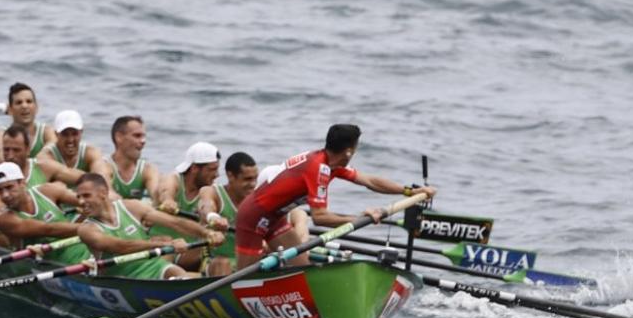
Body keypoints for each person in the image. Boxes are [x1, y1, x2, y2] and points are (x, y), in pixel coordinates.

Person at [234, 124, 436, 270]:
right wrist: (359, 219)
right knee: (243, 278)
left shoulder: (331, 162)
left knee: (302, 267)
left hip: (275, 218)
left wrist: (409, 191)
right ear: (348, 151)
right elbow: (320, 217)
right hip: (253, 217)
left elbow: (369, 181)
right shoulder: (318, 168)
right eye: (356, 147)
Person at [74, 173, 223, 280]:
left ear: (103, 193)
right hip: (122, 278)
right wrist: (166, 245)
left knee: (178, 275)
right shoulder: (86, 229)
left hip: (154, 266)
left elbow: (174, 222)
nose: (80, 202)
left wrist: (207, 233)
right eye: (78, 197)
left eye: (86, 195)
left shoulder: (131, 207)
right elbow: (120, 246)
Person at [0, 162, 90, 265]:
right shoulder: (5, 220)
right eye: (0, 190)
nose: (5, 195)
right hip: (62, 265)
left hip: (87, 252)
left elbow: (87, 201)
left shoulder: (48, 191)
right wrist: (92, 229)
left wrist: (94, 211)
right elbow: (49, 229)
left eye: (9, 187)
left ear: (22, 183)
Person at [194, 151, 259, 275]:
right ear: (230, 176)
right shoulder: (212, 192)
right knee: (222, 263)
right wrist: (213, 217)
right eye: (247, 179)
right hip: (215, 262)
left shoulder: (257, 198)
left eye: (255, 179)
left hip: (246, 262)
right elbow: (205, 206)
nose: (253, 185)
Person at [36, 110, 110, 185]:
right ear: (56, 134)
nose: (70, 140)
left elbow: (103, 180)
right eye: (65, 134)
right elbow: (64, 173)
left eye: (74, 134)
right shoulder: (45, 156)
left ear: (81, 132)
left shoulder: (91, 152)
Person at [0, 83, 56, 161]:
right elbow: (0, 155)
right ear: (10, 110)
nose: (24, 106)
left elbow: (54, 149)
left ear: (36, 107)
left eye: (29, 101)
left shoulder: (46, 132)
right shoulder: (1, 135)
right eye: (19, 102)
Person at [157, 142, 220, 217]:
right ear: (194, 168)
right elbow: (166, 191)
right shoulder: (172, 179)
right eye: (212, 170)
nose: (217, 175)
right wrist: (168, 200)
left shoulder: (211, 192)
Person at [106, 115, 160, 200]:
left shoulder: (148, 170)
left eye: (143, 136)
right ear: (118, 137)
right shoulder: (104, 166)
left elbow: (156, 194)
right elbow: (107, 192)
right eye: (137, 136)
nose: (143, 141)